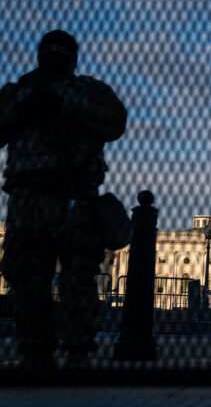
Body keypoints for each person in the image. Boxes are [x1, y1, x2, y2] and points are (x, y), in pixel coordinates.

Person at [0, 30, 127, 369]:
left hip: (76, 195)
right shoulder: (19, 92)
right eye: (50, 50)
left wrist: (64, 103)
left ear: (73, 58)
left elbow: (116, 123)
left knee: (79, 277)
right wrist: (26, 106)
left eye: (63, 50)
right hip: (29, 194)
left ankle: (78, 350)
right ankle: (34, 351)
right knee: (27, 276)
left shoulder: (89, 91)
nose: (56, 56)